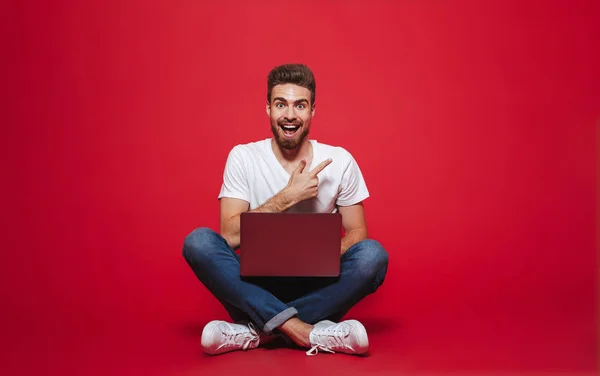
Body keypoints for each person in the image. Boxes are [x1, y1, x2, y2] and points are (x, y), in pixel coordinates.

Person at [182, 63, 388, 357]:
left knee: (373, 257)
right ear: (268, 109)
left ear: (312, 111)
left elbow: (359, 234)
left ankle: (259, 331)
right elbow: (228, 236)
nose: (290, 115)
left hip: (319, 284)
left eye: (300, 105)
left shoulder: (340, 160)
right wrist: (287, 197)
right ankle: (303, 330)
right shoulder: (243, 157)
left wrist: (319, 257)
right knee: (198, 242)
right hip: (257, 285)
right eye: (281, 104)